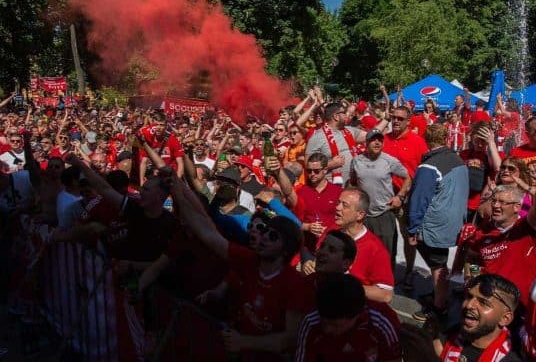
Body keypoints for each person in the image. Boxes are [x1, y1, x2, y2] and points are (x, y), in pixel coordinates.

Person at [170, 172, 306, 361]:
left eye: (274, 236)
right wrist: (176, 187)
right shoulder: (248, 260)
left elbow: (289, 340)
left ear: (286, 250)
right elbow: (206, 230)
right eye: (266, 231)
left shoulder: (295, 284)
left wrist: (244, 342)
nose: (265, 237)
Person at [408, 124, 469, 321]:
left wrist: (412, 229)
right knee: (439, 263)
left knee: (437, 265)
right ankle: (440, 294)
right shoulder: (458, 159)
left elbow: (419, 200)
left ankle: (439, 305)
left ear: (426, 140)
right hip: (453, 220)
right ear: (446, 140)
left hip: (434, 224)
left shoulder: (429, 166)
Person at [295, 273, 402, 362]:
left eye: (335, 325)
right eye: (324, 322)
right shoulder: (311, 321)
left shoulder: (381, 320)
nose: (327, 329)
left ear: (357, 314)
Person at [463, 184, 536, 309]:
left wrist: (531, 190)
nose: (496, 206)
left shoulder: (525, 228)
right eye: (494, 201)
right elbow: (471, 258)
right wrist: (472, 277)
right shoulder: (482, 232)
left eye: (502, 202)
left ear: (516, 207)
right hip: (487, 302)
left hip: (519, 306)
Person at [382, 105, 429, 289]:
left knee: (409, 236)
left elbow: (424, 171)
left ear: (408, 121)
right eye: (393, 117)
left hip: (407, 198)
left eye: (400, 119)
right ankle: (386, 271)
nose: (395, 121)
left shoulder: (417, 142)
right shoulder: (384, 139)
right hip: (384, 196)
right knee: (386, 236)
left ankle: (409, 271)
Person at [350, 128, 411, 266]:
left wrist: (399, 197)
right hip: (363, 214)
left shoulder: (389, 161)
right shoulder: (356, 161)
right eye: (373, 140)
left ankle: (387, 284)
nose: (377, 143)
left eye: (380, 140)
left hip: (384, 213)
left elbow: (407, 178)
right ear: (366, 142)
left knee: (387, 254)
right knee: (363, 252)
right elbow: (353, 182)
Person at [437, 274, 521, 362]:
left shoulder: (510, 358)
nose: (469, 305)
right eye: (469, 297)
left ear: (505, 318)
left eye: (483, 303)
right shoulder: (445, 342)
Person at [305, 101, 386, 185]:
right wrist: (330, 164)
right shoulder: (317, 137)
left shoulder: (349, 130)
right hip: (332, 186)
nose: (346, 115)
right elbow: (307, 164)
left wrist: (386, 119)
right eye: (343, 113)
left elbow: (372, 134)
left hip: (354, 184)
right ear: (336, 116)